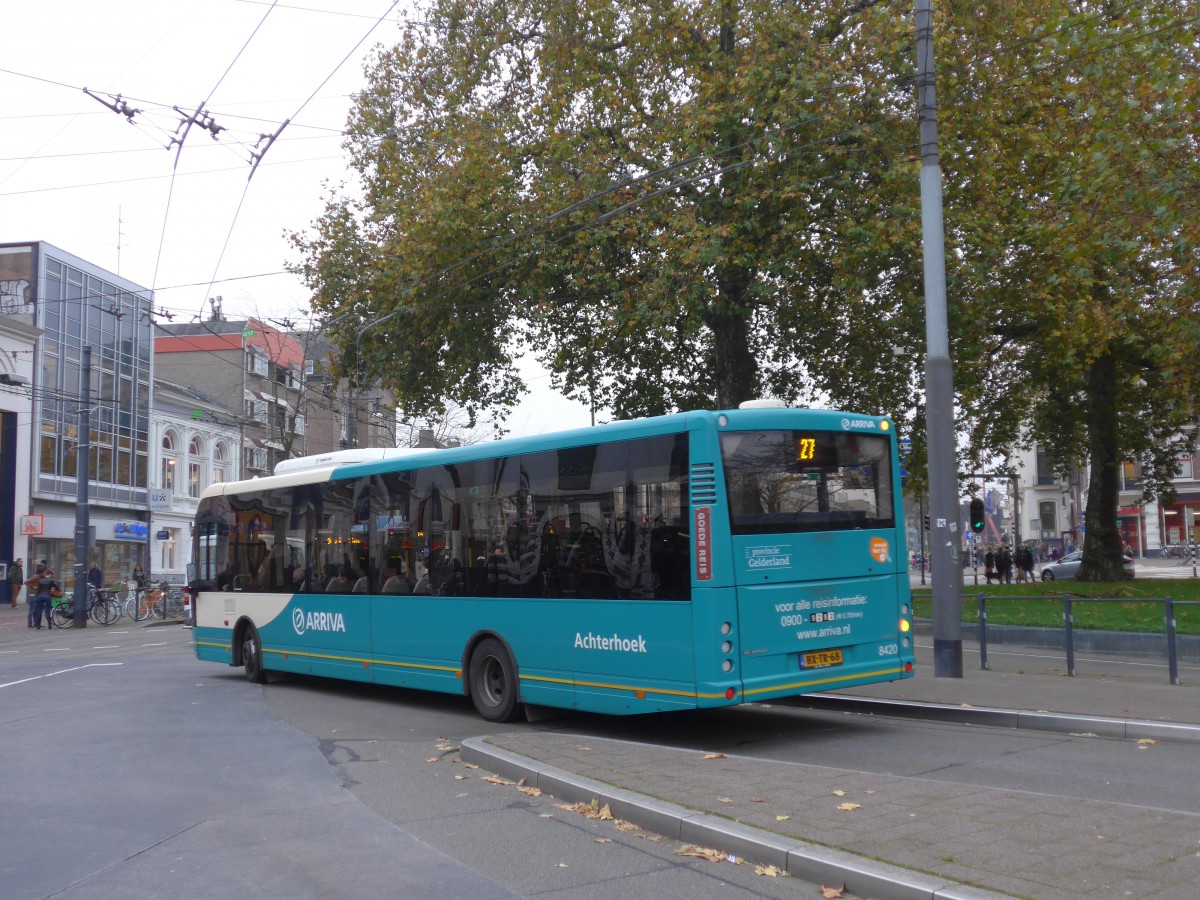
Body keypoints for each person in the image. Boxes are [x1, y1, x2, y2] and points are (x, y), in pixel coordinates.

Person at [26, 566, 60, 630]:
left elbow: (38, 589)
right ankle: (49, 625)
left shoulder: (40, 581)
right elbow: (57, 588)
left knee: (39, 611)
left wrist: (37, 594)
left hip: (40, 596)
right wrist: (59, 585)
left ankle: (38, 626)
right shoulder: (50, 581)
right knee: (47, 611)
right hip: (47, 596)